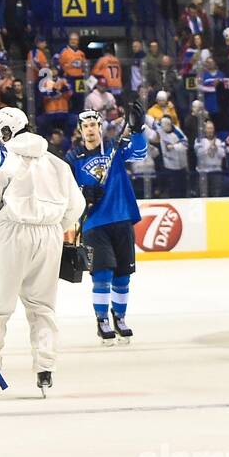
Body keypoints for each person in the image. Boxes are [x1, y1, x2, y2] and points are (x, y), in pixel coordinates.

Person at [0, 106, 84, 394]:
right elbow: (76, 207)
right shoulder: (57, 163)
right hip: (50, 235)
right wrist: (57, 225)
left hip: (12, 232)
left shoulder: (5, 162)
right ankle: (45, 369)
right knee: (42, 307)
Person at [61, 107, 147, 348]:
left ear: (100, 127)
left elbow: (140, 153)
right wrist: (82, 193)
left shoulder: (114, 149)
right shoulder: (72, 159)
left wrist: (139, 129)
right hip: (94, 223)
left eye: (93, 124)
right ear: (80, 130)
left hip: (121, 217)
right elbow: (63, 188)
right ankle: (102, 321)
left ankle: (119, 317)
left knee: (122, 275)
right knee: (102, 273)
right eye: (85, 125)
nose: (90, 129)